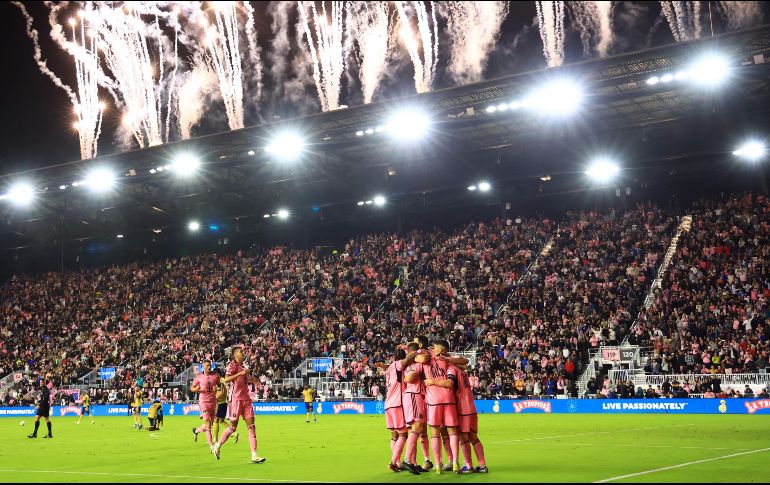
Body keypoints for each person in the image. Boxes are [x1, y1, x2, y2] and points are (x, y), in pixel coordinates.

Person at [212, 347, 266, 464]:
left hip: (246, 399)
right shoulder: (232, 365)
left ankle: (254, 455)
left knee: (252, 426)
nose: (243, 353)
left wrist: (253, 380)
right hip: (236, 400)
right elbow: (226, 379)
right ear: (236, 355)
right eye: (241, 352)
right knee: (233, 428)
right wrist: (240, 373)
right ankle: (218, 445)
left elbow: (244, 380)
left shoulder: (243, 366)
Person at [421, 339, 460, 474]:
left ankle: (438, 465)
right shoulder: (449, 363)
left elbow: (420, 357)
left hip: (434, 401)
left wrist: (432, 381)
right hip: (448, 400)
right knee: (452, 432)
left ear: (441, 349)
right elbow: (450, 382)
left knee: (435, 433)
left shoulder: (427, 360)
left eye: (435, 347)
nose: (432, 349)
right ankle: (455, 462)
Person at [453, 365, 488, 473]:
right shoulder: (463, 373)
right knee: (474, 438)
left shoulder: (453, 372)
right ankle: (482, 466)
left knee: (463, 439)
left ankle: (468, 466)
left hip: (462, 410)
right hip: (472, 408)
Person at [191, 360, 220, 452]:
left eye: (210, 365)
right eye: (207, 365)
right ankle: (212, 447)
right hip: (203, 402)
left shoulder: (215, 375)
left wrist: (217, 389)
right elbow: (192, 388)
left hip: (213, 402)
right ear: (203, 366)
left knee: (210, 424)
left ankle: (196, 431)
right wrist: (197, 389)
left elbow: (220, 386)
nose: (209, 367)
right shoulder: (199, 377)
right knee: (207, 422)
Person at [213, 368, 239, 444]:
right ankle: (234, 433)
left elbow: (221, 392)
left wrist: (214, 398)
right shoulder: (224, 380)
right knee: (221, 421)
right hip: (224, 403)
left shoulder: (218, 381)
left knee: (215, 420)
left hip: (219, 403)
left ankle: (215, 439)